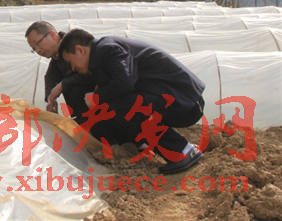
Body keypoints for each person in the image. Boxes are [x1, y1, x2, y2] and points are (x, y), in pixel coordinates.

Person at [58, 29, 206, 175]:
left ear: (80, 50)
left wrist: (97, 97)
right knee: (116, 106)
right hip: (176, 99)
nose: (73, 68)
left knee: (124, 107)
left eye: (70, 61)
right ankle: (142, 146)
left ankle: (183, 151)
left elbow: (125, 82)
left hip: (186, 102)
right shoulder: (103, 52)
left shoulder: (108, 49)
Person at [25, 21, 95, 124]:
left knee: (76, 90)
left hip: (102, 104)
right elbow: (51, 76)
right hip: (88, 112)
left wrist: (62, 85)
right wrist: (50, 98)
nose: (38, 50)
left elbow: (90, 74)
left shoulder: (73, 43)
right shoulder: (57, 56)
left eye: (38, 43)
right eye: (34, 48)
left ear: (52, 35)